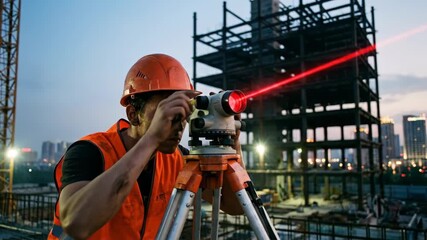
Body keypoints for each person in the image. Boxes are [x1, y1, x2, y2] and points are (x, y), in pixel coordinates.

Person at [48, 53, 244, 240]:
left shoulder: (177, 159)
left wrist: (232, 145)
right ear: (133, 114)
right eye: (166, 115)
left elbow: (235, 206)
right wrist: (152, 139)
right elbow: (76, 223)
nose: (178, 126)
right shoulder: (89, 152)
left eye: (183, 115)